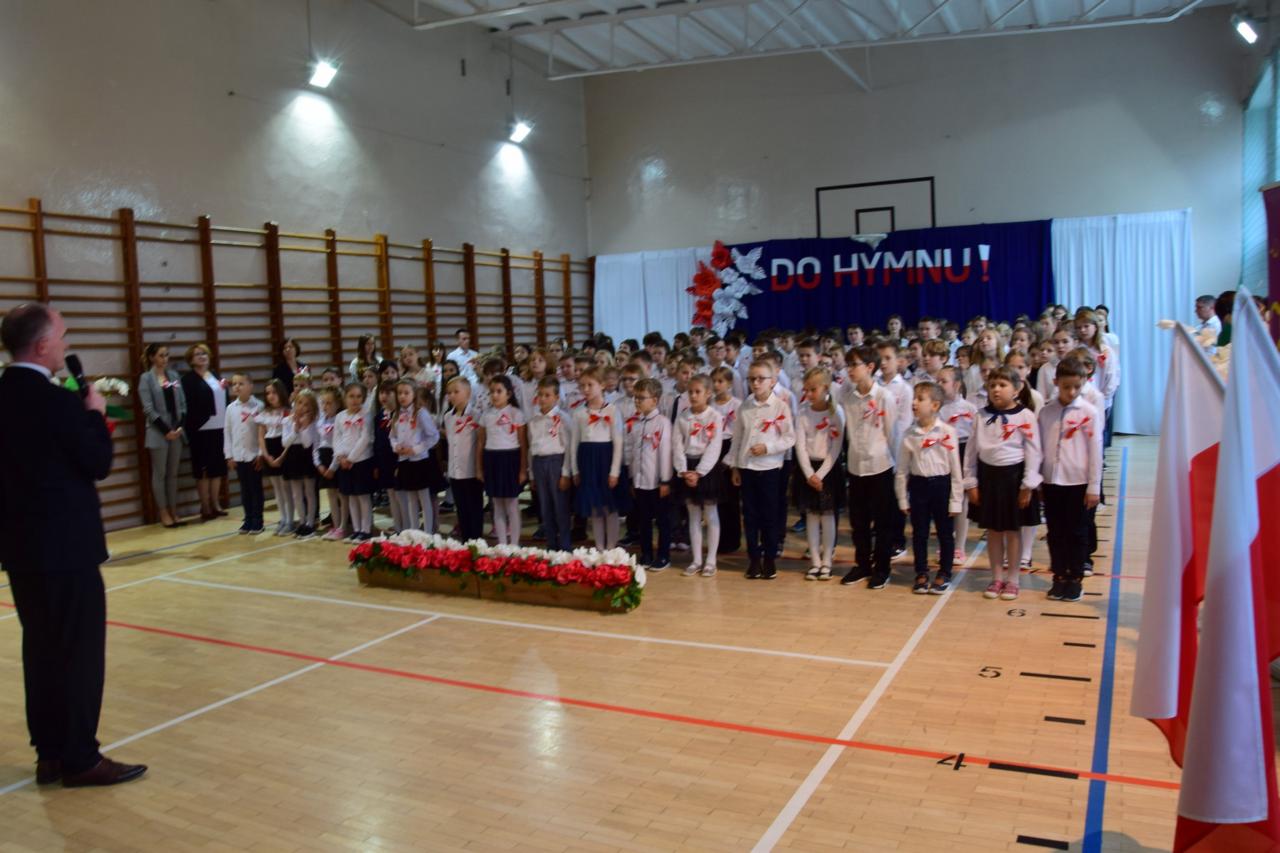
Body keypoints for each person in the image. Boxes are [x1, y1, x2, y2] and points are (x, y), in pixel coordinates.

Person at [0, 302, 147, 787]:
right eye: (62, 335)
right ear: (43, 345)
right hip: (68, 546)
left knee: (40, 649)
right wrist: (96, 416)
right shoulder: (59, 402)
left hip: (21, 548)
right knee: (80, 653)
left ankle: (49, 753)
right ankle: (81, 757)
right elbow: (97, 462)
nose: (65, 344)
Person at [963, 366, 1043, 601]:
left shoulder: (1025, 416)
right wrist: (971, 483)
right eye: (992, 385)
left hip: (1014, 479)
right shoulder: (980, 415)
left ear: (1016, 389)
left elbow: (1034, 451)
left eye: (1002, 385)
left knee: (1012, 530)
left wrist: (1027, 485)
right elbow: (970, 452)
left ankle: (1013, 579)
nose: (996, 390)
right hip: (988, 478)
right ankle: (996, 577)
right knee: (993, 531)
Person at [1038, 357, 1103, 603]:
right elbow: (1040, 448)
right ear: (1056, 383)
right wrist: (1039, 480)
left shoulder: (1089, 412)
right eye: (1066, 387)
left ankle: (1075, 578)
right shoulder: (1046, 412)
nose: (1072, 392)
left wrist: (1093, 486)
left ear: (1084, 383)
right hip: (1052, 481)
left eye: (1077, 386)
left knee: (1077, 532)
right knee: (1056, 531)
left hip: (1078, 483)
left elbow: (1095, 450)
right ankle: (1059, 575)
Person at [728, 359, 795, 580]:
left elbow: (789, 438)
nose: (755, 383)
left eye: (760, 379)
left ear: (772, 381)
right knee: (750, 515)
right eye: (751, 379)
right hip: (747, 467)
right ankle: (754, 558)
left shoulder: (780, 406)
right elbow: (738, 438)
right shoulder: (745, 406)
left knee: (769, 515)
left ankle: (769, 558)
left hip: (769, 468)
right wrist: (735, 466)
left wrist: (768, 447)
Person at [895, 382, 963, 595]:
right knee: (919, 533)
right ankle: (921, 572)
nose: (914, 402)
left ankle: (944, 572)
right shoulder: (909, 434)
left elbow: (956, 470)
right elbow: (902, 470)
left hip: (942, 486)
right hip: (919, 486)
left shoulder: (947, 432)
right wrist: (902, 498)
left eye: (920, 399)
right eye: (914, 398)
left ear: (935, 405)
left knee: (945, 533)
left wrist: (956, 500)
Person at [837, 346, 896, 588]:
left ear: (870, 367)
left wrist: (896, 467)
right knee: (858, 521)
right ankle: (862, 564)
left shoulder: (884, 397)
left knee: (882, 522)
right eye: (848, 365)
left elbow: (892, 434)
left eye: (855, 365)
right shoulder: (848, 398)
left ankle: (882, 568)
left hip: (880, 467)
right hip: (856, 466)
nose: (850, 370)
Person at [794, 367, 845, 582]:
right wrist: (809, 474)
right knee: (812, 516)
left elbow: (836, 447)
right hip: (808, 470)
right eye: (806, 390)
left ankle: (827, 561)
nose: (808, 394)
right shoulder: (802, 412)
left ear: (825, 388)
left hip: (828, 470)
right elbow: (800, 445)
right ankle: (815, 561)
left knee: (827, 515)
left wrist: (820, 474)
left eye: (813, 389)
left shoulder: (836, 412)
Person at [569, 366, 628, 550]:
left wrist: (614, 471)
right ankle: (600, 547)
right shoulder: (578, 413)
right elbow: (574, 443)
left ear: (602, 385)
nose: (585, 389)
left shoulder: (612, 410)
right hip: (588, 462)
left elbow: (618, 442)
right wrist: (575, 470)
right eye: (582, 385)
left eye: (590, 385)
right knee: (594, 507)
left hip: (606, 460)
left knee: (610, 507)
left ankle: (611, 547)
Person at [673, 375, 724, 577]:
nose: (693, 396)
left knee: (710, 514)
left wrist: (700, 471)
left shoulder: (715, 416)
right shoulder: (683, 417)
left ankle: (711, 560)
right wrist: (683, 470)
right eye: (690, 392)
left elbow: (715, 446)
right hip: (688, 467)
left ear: (708, 393)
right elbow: (677, 445)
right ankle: (696, 559)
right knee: (693, 515)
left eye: (698, 392)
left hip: (706, 469)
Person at [626, 377, 674, 570]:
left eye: (641, 397)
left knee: (662, 521)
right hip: (640, 481)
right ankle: (646, 554)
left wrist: (665, 480)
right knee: (643, 520)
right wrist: (632, 478)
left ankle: (663, 555)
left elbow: (665, 453)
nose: (637, 401)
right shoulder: (636, 423)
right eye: (635, 397)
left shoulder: (663, 423)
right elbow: (632, 452)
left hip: (657, 481)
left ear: (654, 400)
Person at [138, 342, 187, 528]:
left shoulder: (173, 376)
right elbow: (148, 409)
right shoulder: (146, 378)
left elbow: (182, 403)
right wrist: (166, 430)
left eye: (167, 355)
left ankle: (174, 510)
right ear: (152, 357)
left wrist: (179, 426)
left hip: (176, 431)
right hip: (158, 432)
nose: (165, 359)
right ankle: (163, 511)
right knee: (160, 473)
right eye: (161, 355)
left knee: (173, 474)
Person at [180, 342, 229, 521]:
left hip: (219, 426)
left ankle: (215, 503)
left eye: (204, 353)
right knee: (203, 470)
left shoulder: (215, 375)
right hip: (200, 429)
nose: (202, 357)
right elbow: (188, 406)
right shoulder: (188, 380)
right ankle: (205, 506)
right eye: (198, 354)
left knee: (217, 468)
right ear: (191, 360)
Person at [477, 375, 527, 546]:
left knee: (512, 503)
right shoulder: (486, 415)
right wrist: (479, 468)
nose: (495, 395)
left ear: (509, 394)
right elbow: (481, 443)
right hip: (492, 459)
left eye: (499, 391)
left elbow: (523, 443)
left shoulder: (516, 413)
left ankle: (514, 544)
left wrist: (523, 469)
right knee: (497, 503)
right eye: (492, 392)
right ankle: (502, 543)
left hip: (510, 459)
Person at [527, 376, 573, 552]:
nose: (543, 398)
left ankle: (565, 546)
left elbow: (569, 447)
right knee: (545, 506)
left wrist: (566, 473)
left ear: (556, 397)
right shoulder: (534, 419)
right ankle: (551, 545)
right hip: (539, 463)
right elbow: (531, 447)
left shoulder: (563, 418)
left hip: (557, 462)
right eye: (540, 395)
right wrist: (531, 474)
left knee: (560, 506)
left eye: (547, 395)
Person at [391, 378, 441, 534]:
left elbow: (434, 436)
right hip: (404, 461)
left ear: (414, 394)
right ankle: (414, 532)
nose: (402, 396)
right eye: (400, 393)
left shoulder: (421, 413)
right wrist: (396, 446)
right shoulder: (397, 414)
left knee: (424, 499)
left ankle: (427, 533)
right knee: (411, 498)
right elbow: (392, 436)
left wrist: (415, 449)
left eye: (406, 393)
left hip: (419, 461)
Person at [938, 366, 977, 562]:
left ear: (957, 384)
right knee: (945, 500)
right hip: (943, 452)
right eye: (938, 381)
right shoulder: (938, 409)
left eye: (944, 381)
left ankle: (959, 547)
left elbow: (976, 435)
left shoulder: (970, 408)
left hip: (964, 451)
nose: (939, 384)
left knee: (961, 501)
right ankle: (946, 543)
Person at [443, 376, 484, 541]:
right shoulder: (448, 417)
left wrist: (479, 468)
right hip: (455, 470)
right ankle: (466, 540)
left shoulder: (476, 415)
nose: (452, 395)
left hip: (471, 470)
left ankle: (476, 541)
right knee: (461, 509)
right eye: (449, 393)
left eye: (456, 392)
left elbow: (480, 443)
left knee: (475, 508)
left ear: (468, 392)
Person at [223, 373, 264, 535]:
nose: (237, 387)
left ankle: (258, 521)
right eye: (234, 384)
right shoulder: (230, 408)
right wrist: (229, 455)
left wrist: (260, 454)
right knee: (245, 490)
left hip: (254, 456)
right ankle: (248, 519)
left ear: (250, 386)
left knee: (255, 489)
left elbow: (263, 432)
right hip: (239, 456)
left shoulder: (258, 406)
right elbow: (227, 432)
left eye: (241, 383)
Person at [334, 383, 375, 541]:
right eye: (351, 396)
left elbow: (365, 439)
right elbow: (336, 438)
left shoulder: (366, 415)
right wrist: (340, 456)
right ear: (345, 398)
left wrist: (351, 458)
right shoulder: (340, 416)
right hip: (344, 461)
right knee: (351, 496)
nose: (355, 400)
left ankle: (366, 529)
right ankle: (356, 529)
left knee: (363, 496)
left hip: (361, 461)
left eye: (359, 396)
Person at [255, 379, 294, 536]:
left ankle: (290, 521)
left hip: (283, 448)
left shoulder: (288, 411)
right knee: (277, 489)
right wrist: (266, 455)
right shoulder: (264, 413)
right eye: (268, 393)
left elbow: (291, 436)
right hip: (270, 450)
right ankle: (283, 519)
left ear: (281, 393)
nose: (270, 396)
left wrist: (282, 457)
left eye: (274, 392)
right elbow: (260, 437)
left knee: (286, 488)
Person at [281, 390, 320, 539]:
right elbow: (285, 442)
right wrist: (295, 429)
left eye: (306, 404)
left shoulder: (313, 422)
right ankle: (302, 521)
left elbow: (307, 443)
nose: (302, 407)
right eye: (300, 403)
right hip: (292, 457)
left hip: (306, 457)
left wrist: (304, 427)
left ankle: (310, 523)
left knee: (309, 492)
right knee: (296, 493)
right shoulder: (287, 421)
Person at [315, 387, 346, 540]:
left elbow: (338, 445)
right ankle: (335, 524)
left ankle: (343, 527)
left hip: (336, 460)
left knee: (342, 495)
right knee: (330, 495)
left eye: (329, 403)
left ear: (337, 404)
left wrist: (333, 467)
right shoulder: (321, 421)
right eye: (323, 403)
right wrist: (319, 464)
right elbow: (317, 443)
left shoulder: (339, 420)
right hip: (324, 459)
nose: (325, 406)